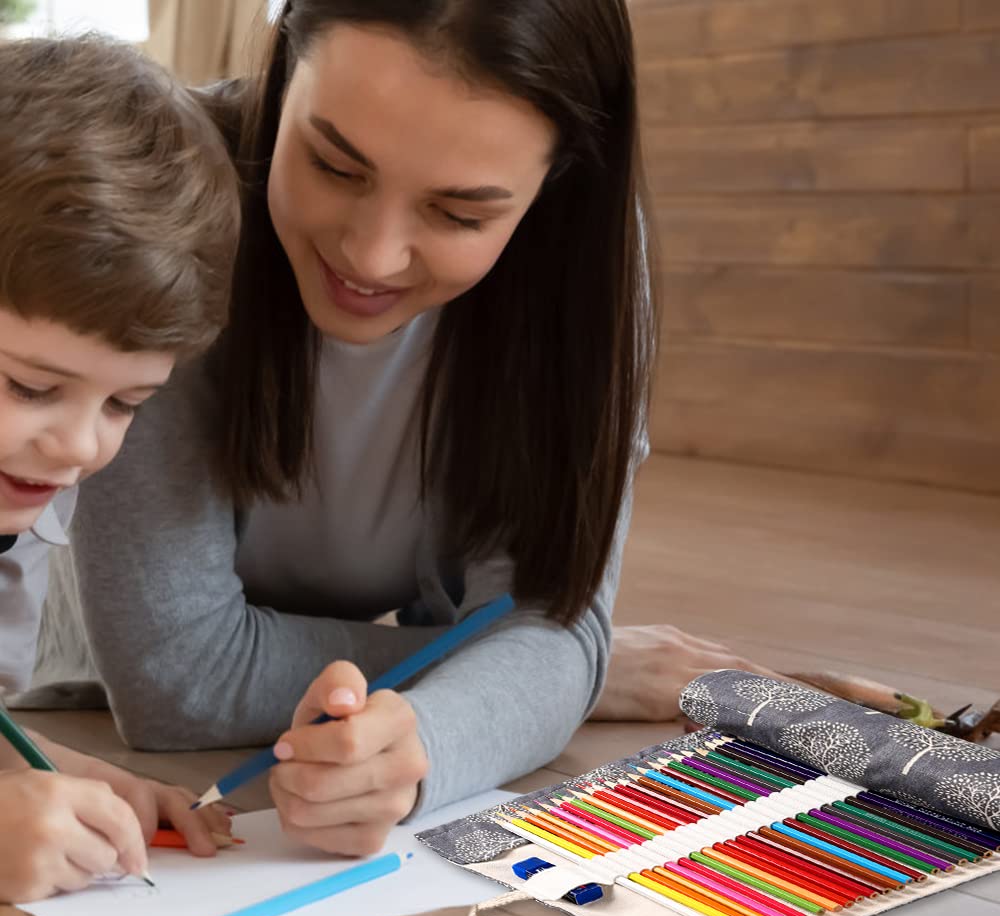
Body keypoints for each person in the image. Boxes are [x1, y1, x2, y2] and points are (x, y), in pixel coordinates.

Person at [22, 1, 768, 858]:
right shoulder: (163, 210)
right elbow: (178, 675)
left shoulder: (582, 271)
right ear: (281, 74)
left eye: (460, 215)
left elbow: (549, 618)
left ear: (556, 185)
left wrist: (431, 738)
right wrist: (527, 674)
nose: (372, 257)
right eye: (334, 166)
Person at [0, 34, 240, 901]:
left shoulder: (19, 499)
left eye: (123, 405)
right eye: (30, 386)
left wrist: (84, 782)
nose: (78, 447)